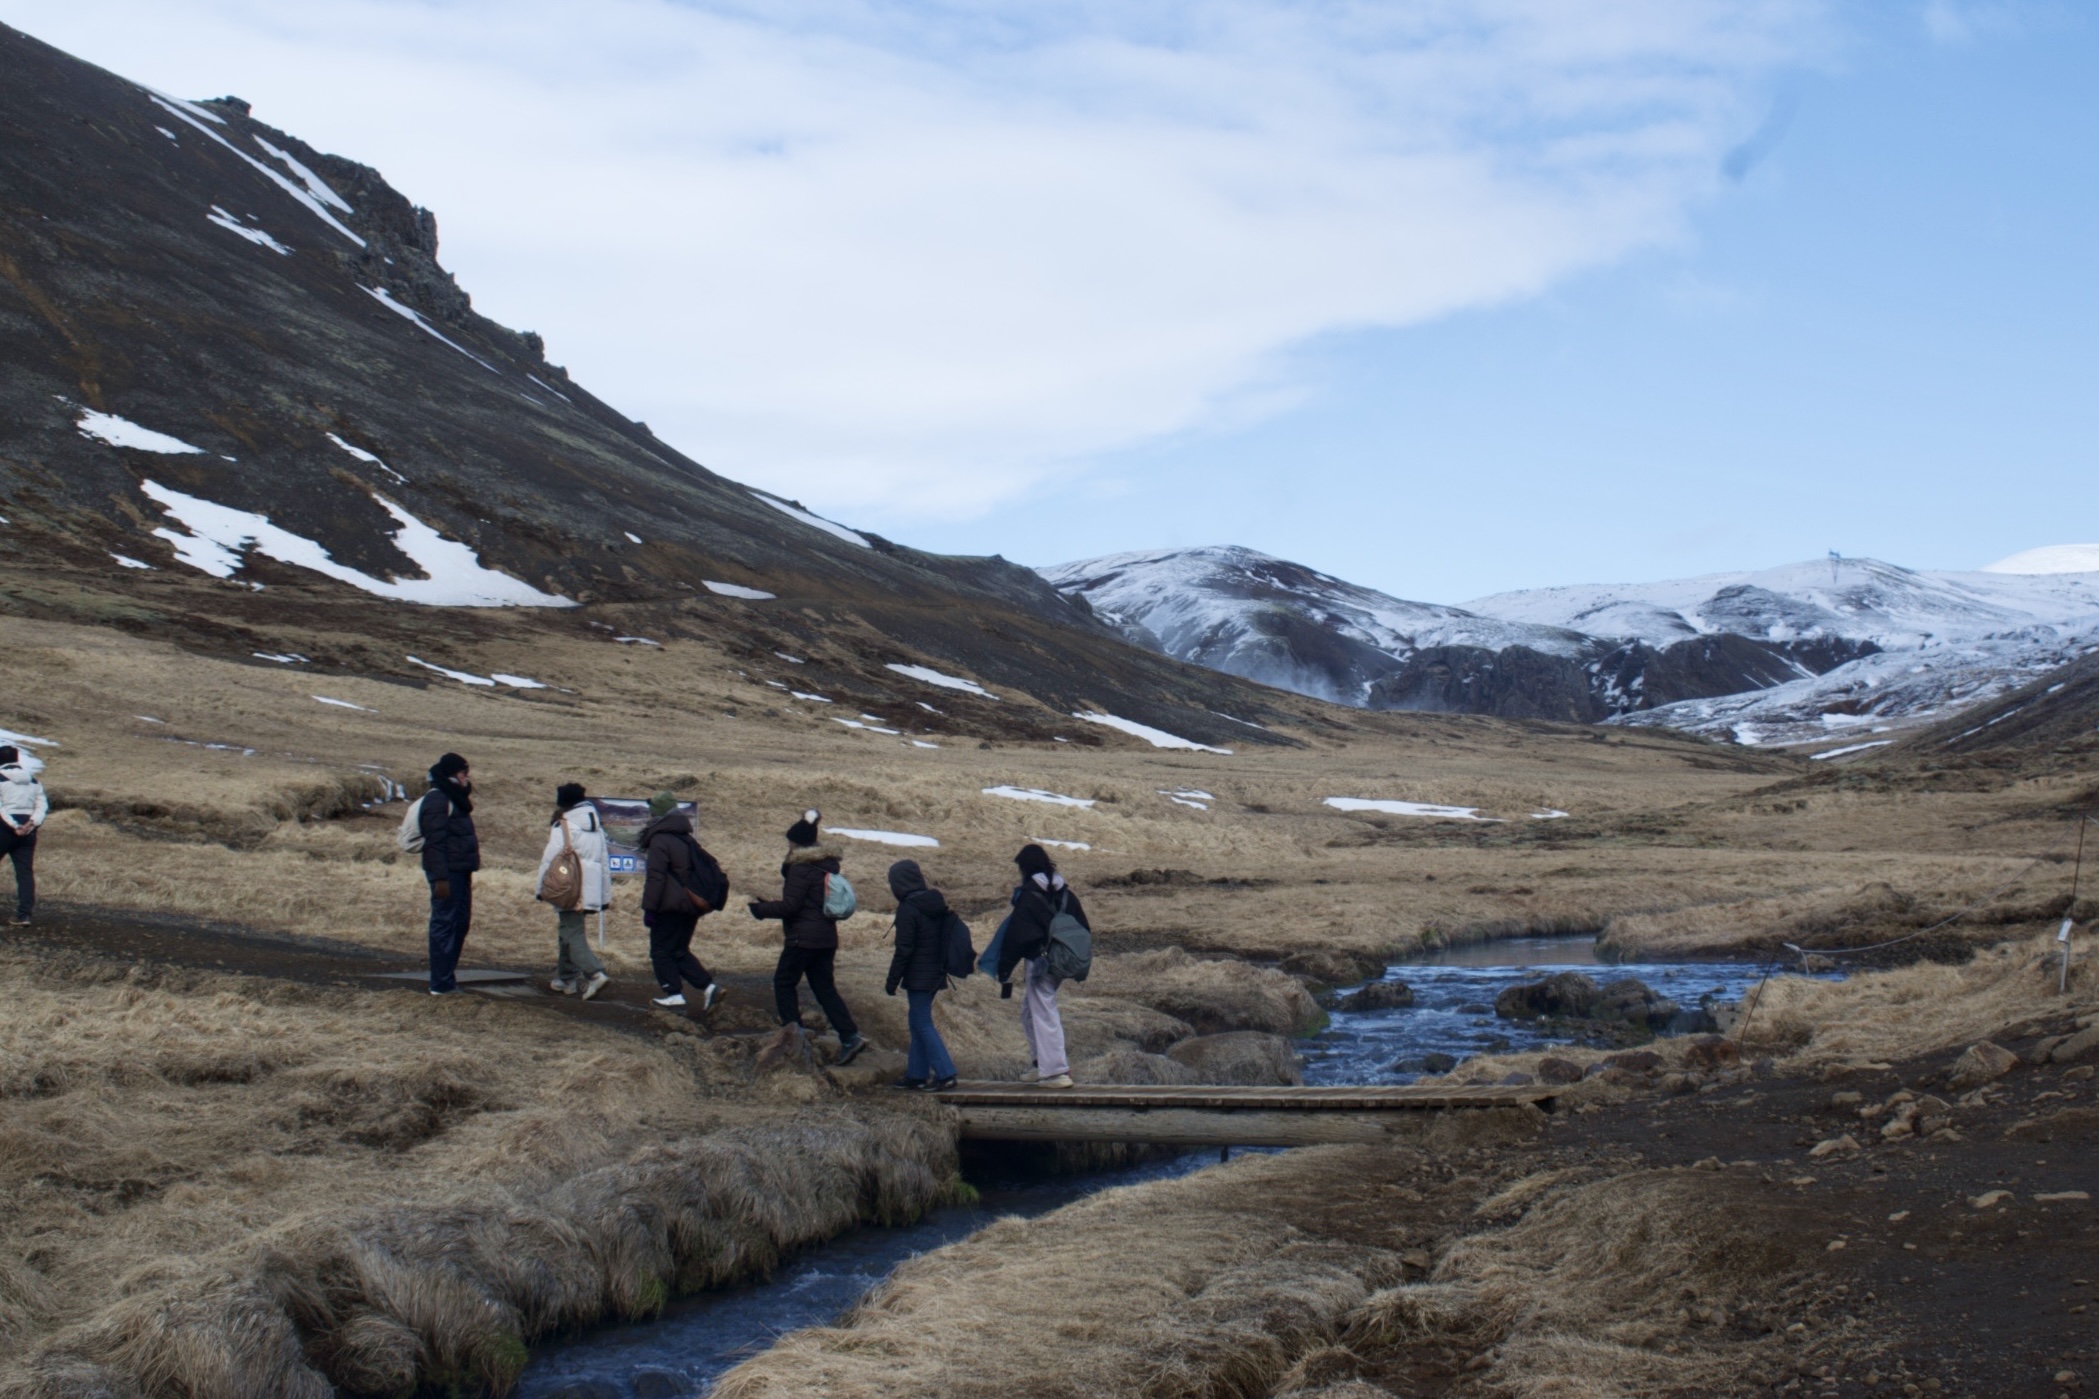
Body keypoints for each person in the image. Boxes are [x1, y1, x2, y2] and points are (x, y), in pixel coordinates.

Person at [749, 809, 867, 1064]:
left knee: (784, 982)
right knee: (824, 988)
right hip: (825, 938)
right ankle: (850, 1036)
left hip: (803, 938)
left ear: (796, 844)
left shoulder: (800, 869)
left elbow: (791, 907)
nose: (788, 847)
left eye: (789, 842)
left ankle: (793, 1038)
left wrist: (761, 910)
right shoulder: (823, 867)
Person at [996, 843, 1090, 1089]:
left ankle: (1056, 1072)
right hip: (1061, 962)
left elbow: (1016, 935)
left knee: (1043, 1011)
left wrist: (1004, 969)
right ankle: (1040, 1064)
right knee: (1030, 1010)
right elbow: (1083, 929)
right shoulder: (1066, 894)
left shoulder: (1028, 895)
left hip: (1039, 963)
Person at [638, 791, 721, 1011]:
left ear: (658, 813)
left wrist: (649, 908)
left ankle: (674, 994)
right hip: (690, 906)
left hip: (669, 906)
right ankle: (708, 987)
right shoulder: (685, 838)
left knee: (661, 951)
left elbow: (656, 878)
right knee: (679, 950)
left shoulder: (659, 839)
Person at [884, 859, 958, 1091]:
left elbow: (904, 949)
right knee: (916, 1022)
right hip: (935, 972)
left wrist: (892, 980)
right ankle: (916, 1075)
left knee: (922, 1023)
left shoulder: (908, 908)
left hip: (919, 975)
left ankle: (946, 1073)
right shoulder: (933, 903)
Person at [536, 782, 611, 1000]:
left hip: (567, 889)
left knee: (571, 933)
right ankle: (565, 978)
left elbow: (549, 860)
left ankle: (594, 973)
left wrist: (541, 888)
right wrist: (604, 896)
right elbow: (604, 863)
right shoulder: (596, 826)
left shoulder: (563, 826)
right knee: (568, 930)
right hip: (589, 891)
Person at [417, 752, 479, 996]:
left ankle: (446, 979)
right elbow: (435, 842)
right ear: (454, 775)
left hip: (459, 870)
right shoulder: (438, 799)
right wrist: (440, 877)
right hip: (447, 873)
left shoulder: (453, 797)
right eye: (464, 773)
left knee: (459, 923)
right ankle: (440, 984)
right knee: (445, 923)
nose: (467, 778)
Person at [0, 745, 48, 928]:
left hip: (4, 828)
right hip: (28, 832)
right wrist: (32, 823)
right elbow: (42, 806)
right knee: (25, 873)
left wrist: (14, 825)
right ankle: (24, 915)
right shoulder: (34, 781)